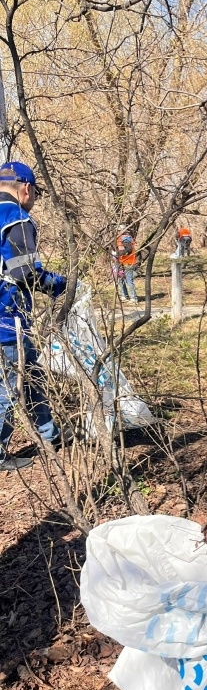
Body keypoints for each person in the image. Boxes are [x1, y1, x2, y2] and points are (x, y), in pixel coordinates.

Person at [0, 160, 69, 471]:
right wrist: (62, 285)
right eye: (36, 193)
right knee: (8, 388)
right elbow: (27, 273)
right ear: (26, 188)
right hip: (6, 319)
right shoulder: (15, 218)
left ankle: (50, 433)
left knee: (32, 374)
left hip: (10, 319)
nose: (34, 199)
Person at [115, 225, 138, 303]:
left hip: (128, 263)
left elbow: (129, 249)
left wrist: (120, 253)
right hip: (121, 263)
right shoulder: (119, 239)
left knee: (129, 280)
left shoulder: (125, 238)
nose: (117, 232)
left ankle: (133, 298)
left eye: (118, 231)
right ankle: (125, 296)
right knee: (121, 280)